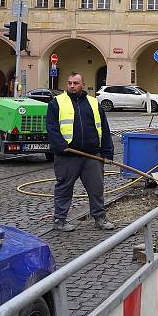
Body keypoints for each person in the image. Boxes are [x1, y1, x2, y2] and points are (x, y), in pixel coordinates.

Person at [46, 72, 115, 232]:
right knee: (64, 188)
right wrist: (60, 145)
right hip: (67, 155)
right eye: (69, 83)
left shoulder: (93, 103)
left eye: (75, 83)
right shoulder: (57, 103)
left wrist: (107, 152)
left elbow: (104, 128)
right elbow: (51, 128)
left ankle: (99, 218)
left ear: (83, 84)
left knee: (96, 188)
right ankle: (59, 220)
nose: (72, 86)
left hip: (92, 155)